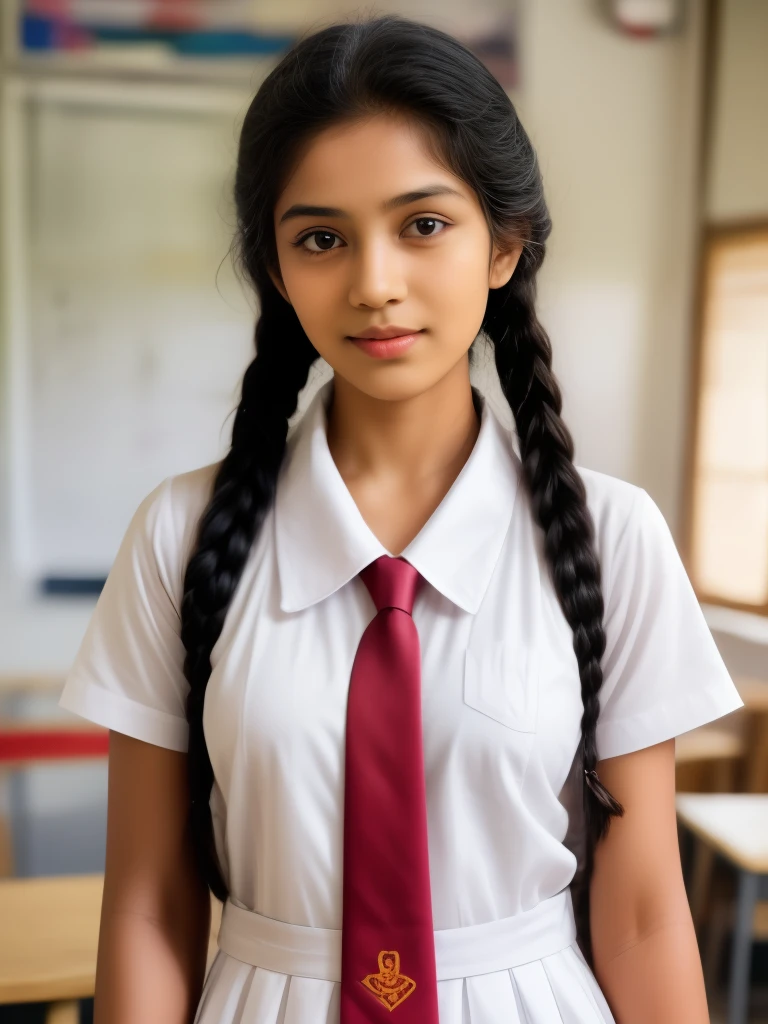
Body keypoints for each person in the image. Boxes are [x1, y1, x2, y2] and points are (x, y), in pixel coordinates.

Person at [58, 14, 745, 1024]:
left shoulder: (614, 537)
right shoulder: (180, 534)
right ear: (278, 269)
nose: (375, 284)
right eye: (323, 238)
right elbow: (151, 906)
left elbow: (642, 912)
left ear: (504, 243)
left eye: (423, 225)